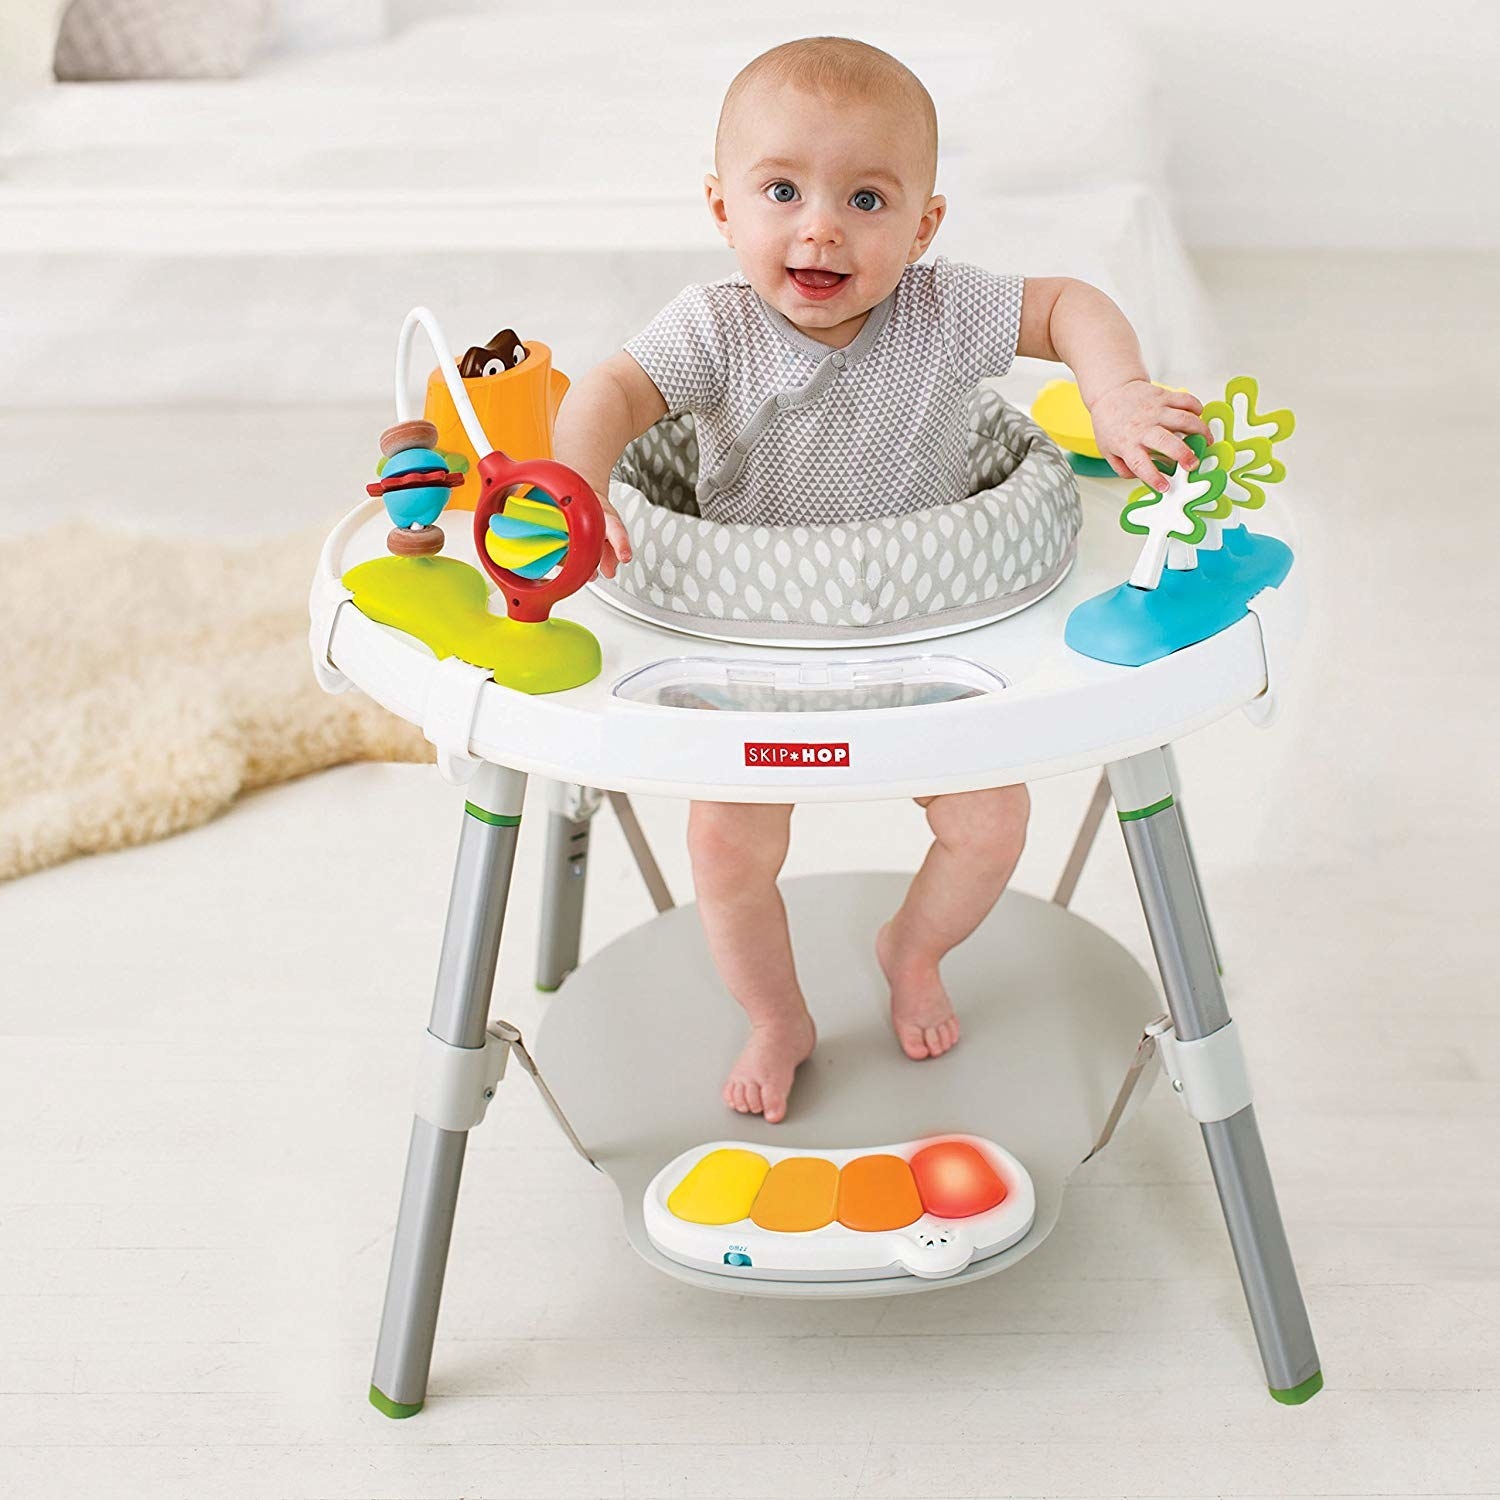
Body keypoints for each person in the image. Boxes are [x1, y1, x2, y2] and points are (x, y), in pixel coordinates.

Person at [551, 36, 1208, 1123]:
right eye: (781, 190)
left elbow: (1070, 305)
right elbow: (610, 392)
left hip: (936, 626)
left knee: (991, 824)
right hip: (745, 639)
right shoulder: (713, 329)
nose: (820, 226)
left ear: (924, 226)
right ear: (722, 207)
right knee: (725, 844)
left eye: (866, 198)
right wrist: (574, 480)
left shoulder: (944, 312)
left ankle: (911, 946)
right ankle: (777, 1014)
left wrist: (1119, 394)